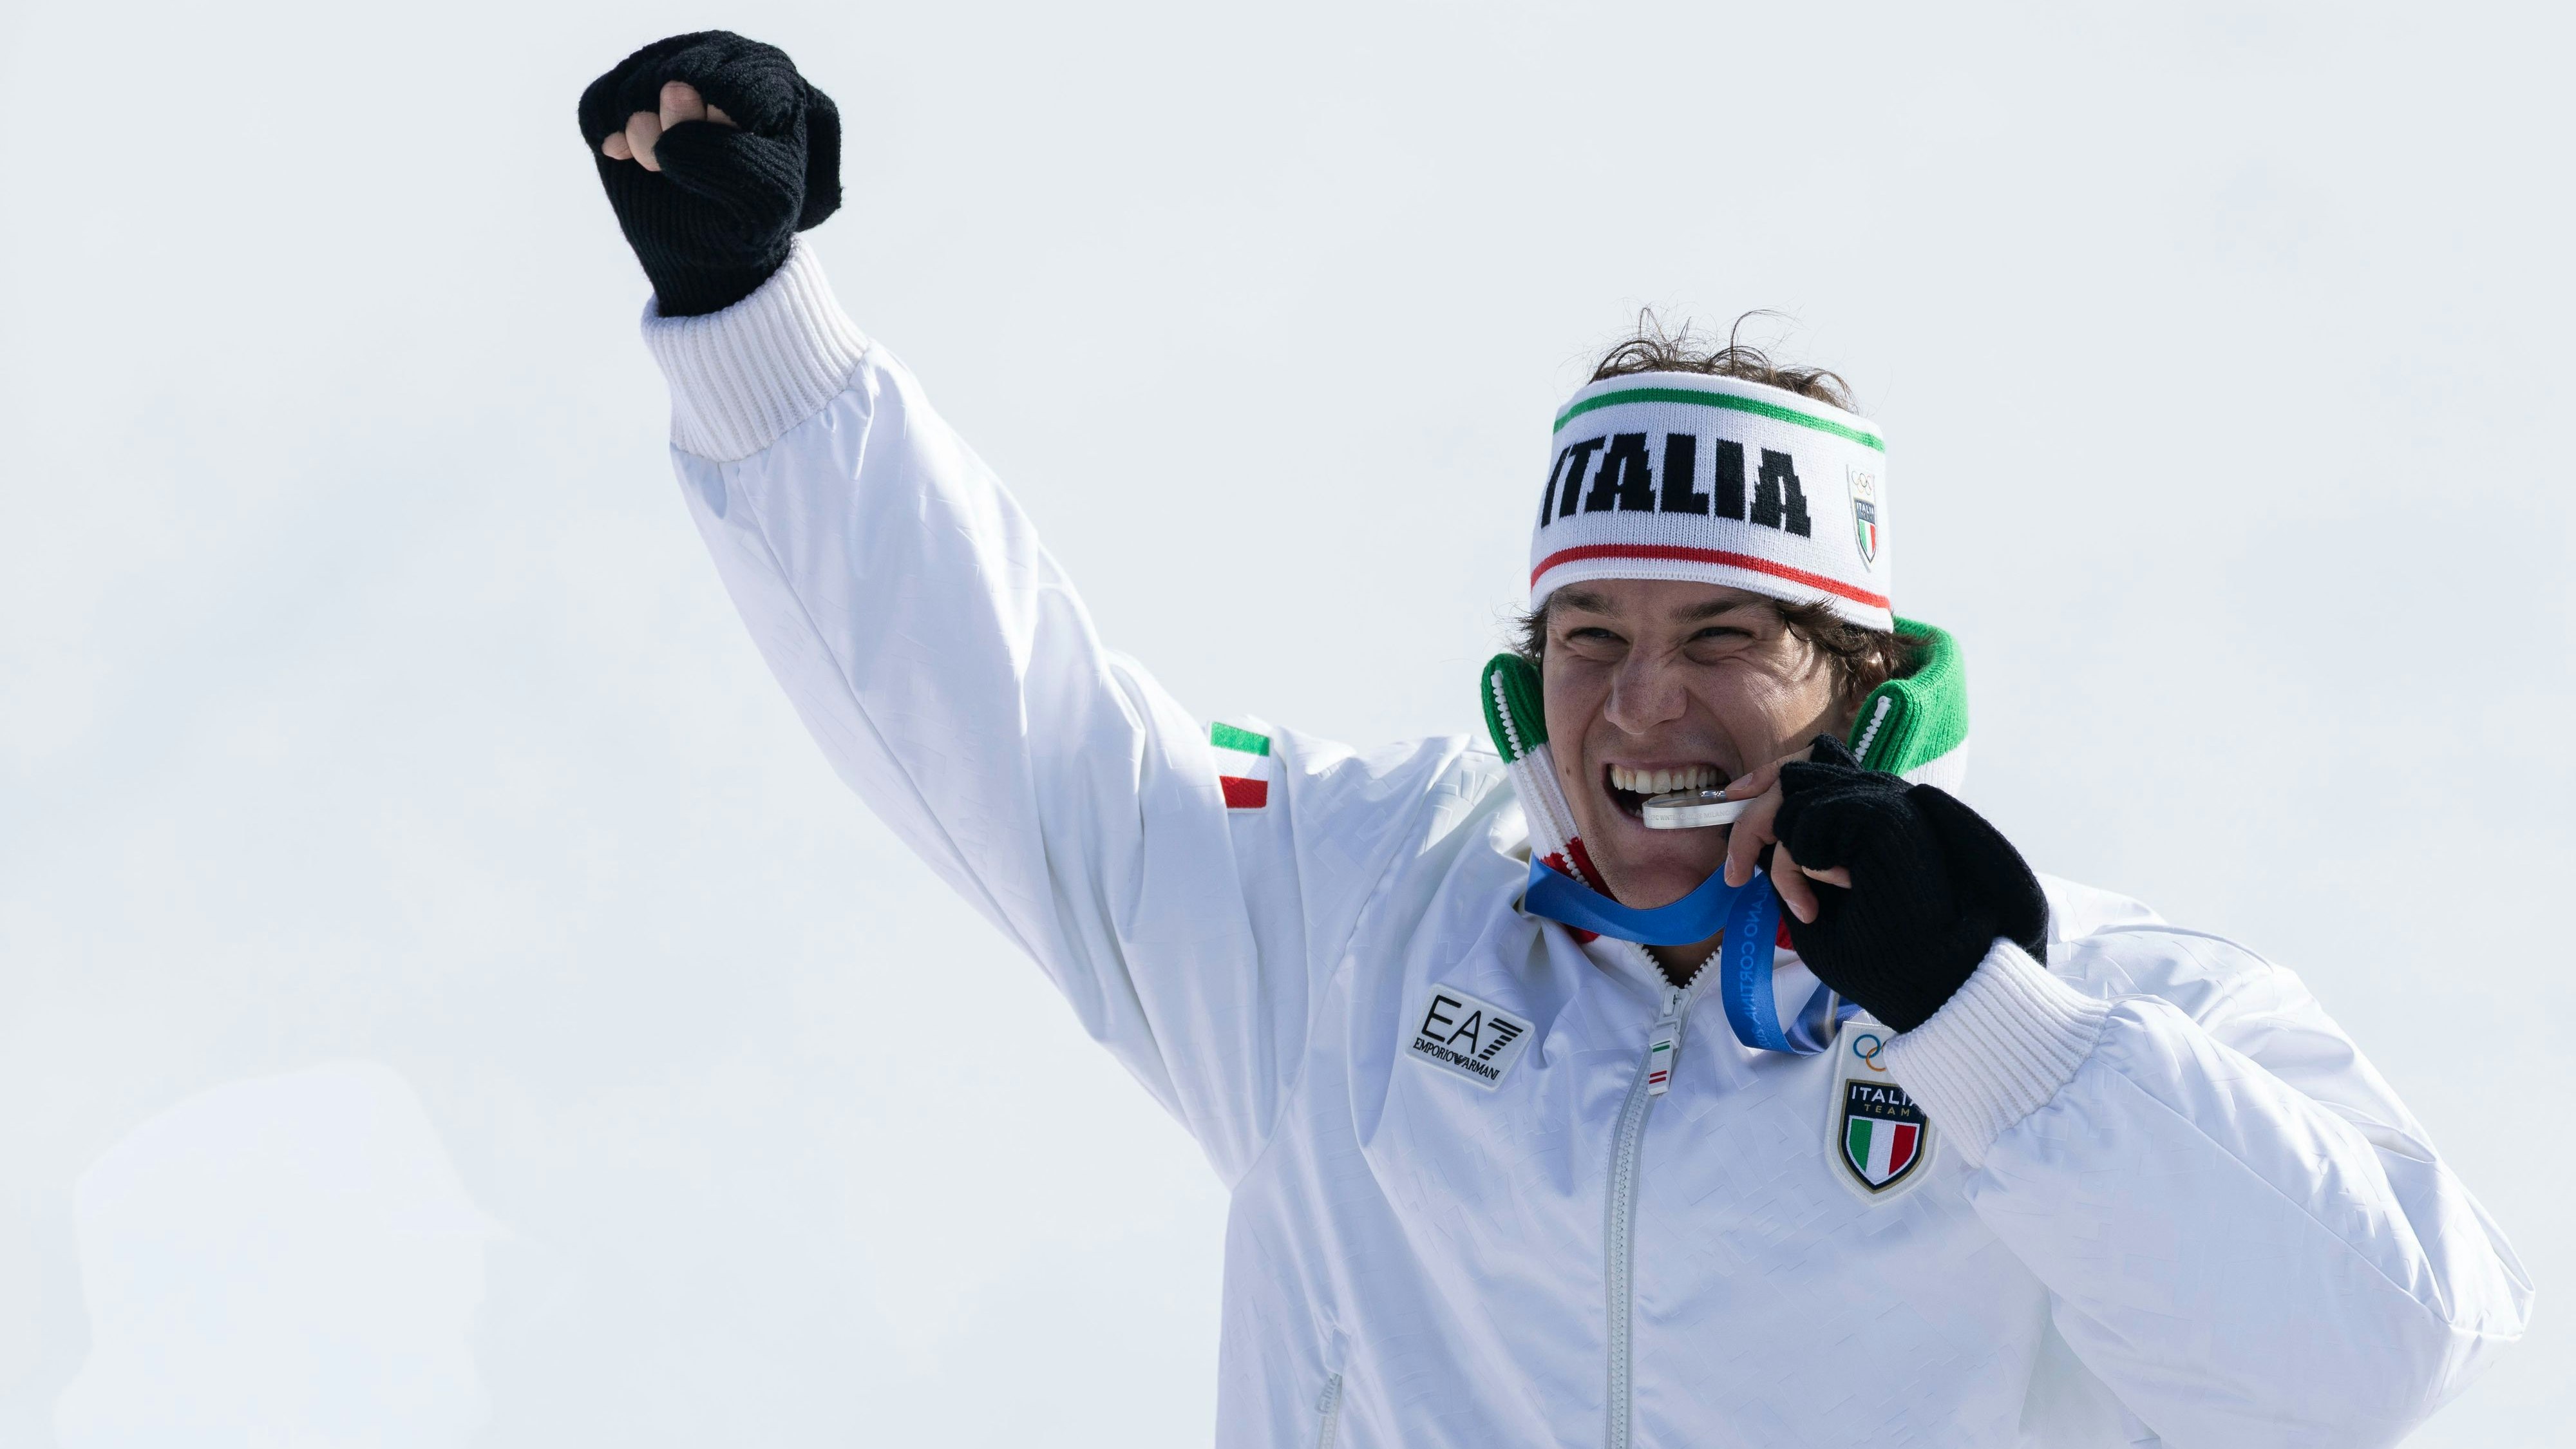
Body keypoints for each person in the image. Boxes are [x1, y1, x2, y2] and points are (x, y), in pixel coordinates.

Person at [577, 32, 2532, 1447]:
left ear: (1856, 678)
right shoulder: (1355, 927)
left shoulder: (2092, 1005)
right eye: (1590, 636)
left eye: (1723, 638)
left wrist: (1982, 1024)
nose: (1643, 700)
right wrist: (758, 322)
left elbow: (2370, 1361)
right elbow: (1012, 724)